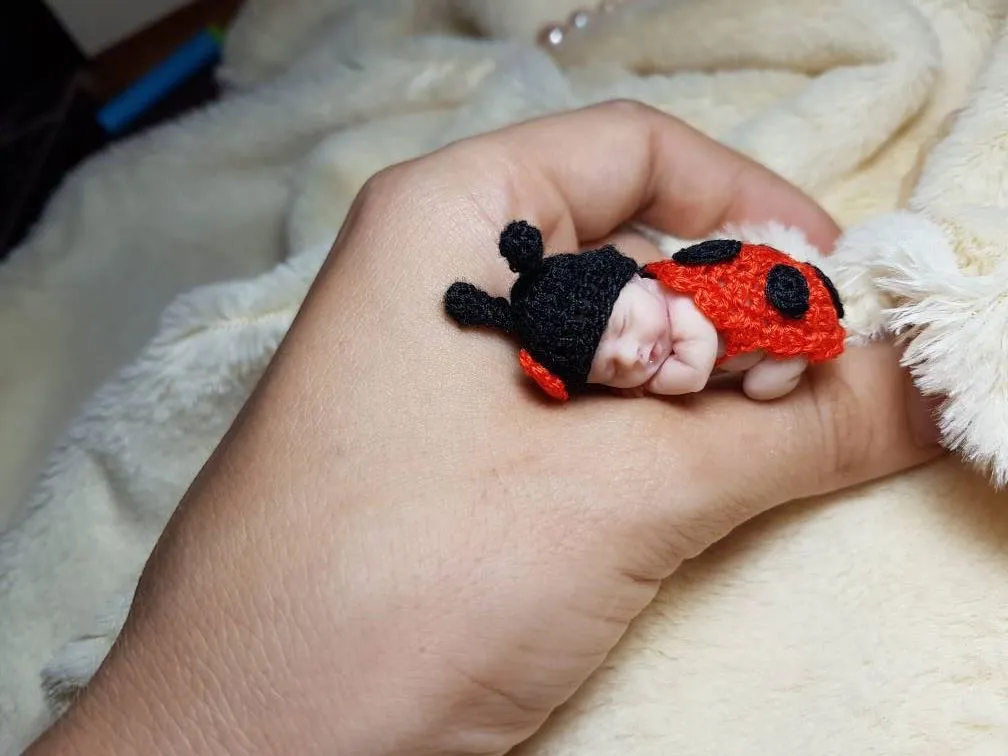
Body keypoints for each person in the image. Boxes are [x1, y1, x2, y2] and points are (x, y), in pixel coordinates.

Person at [26, 100, 942, 756]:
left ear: (645, 277)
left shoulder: (691, 296)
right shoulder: (639, 353)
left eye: (632, 328)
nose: (639, 357)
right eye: (615, 364)